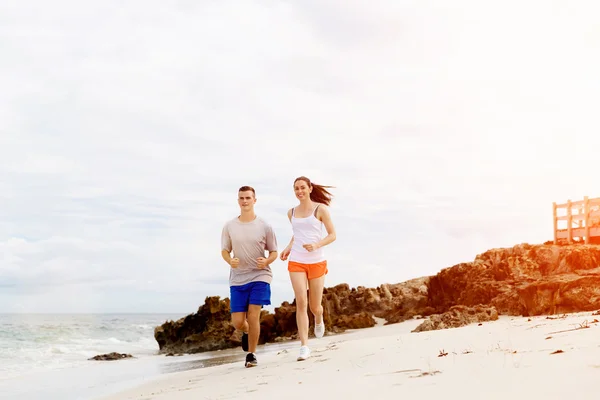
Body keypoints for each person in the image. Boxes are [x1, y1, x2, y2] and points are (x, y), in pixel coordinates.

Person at [280, 176, 337, 361]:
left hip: (317, 261)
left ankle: (319, 319)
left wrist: (317, 245)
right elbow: (297, 235)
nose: (299, 191)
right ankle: (304, 346)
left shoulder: (321, 209)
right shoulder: (291, 213)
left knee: (315, 307)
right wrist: (289, 247)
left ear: (310, 188)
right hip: (297, 260)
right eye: (296, 188)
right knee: (301, 303)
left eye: (303, 187)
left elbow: (332, 235)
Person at [221, 185, 278, 368]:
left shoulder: (265, 226)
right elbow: (224, 250)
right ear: (238, 201)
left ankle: (251, 354)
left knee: (254, 315)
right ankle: (246, 331)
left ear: (254, 200)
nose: (244, 201)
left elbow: (274, 252)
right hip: (238, 278)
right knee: (238, 322)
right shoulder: (229, 226)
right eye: (241, 198)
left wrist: (266, 261)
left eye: (248, 198)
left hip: (260, 275)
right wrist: (230, 261)